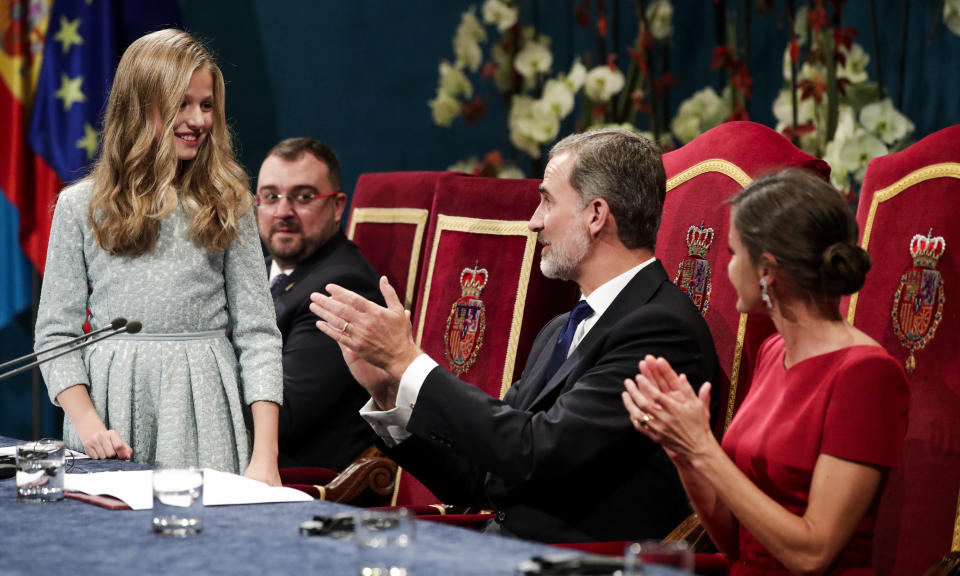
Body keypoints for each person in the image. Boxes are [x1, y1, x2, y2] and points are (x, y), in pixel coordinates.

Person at [309, 129, 719, 543]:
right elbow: (479, 478)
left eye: (547, 201)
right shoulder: (561, 328)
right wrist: (388, 389)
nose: (534, 221)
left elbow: (535, 451)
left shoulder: (660, 329)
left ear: (596, 215)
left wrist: (407, 360)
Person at [622, 168, 909, 574]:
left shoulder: (868, 375)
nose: (727, 268)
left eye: (735, 253)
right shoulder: (774, 351)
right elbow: (737, 542)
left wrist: (705, 447)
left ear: (767, 271)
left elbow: (812, 554)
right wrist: (685, 452)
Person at [34, 29, 283, 484]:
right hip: (110, 414)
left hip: (202, 410)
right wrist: (89, 426)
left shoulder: (229, 202)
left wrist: (265, 457)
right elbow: (55, 335)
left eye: (206, 105)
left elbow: (258, 335)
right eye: (181, 104)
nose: (197, 119)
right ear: (139, 106)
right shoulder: (81, 206)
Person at [256, 138, 381, 471]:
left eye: (304, 197)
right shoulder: (255, 269)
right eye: (270, 196)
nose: (283, 211)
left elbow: (283, 416)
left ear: (338, 206)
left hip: (299, 485)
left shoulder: (341, 288)